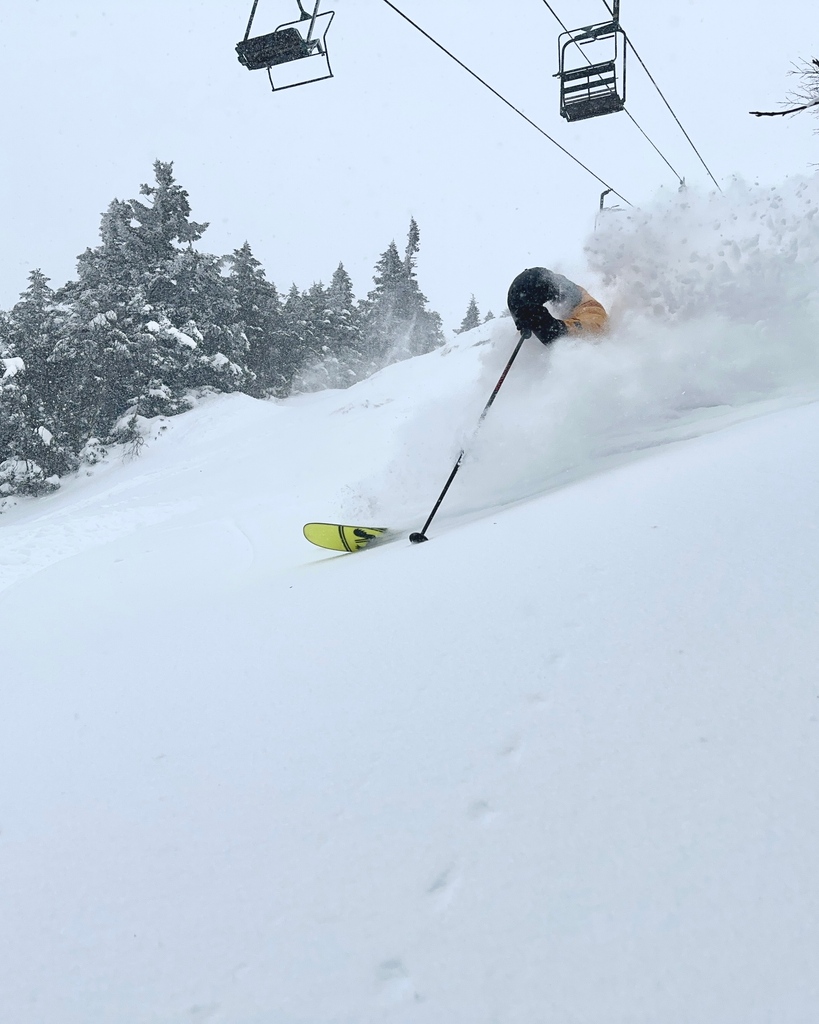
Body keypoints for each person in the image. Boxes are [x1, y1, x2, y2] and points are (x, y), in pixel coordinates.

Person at [507, 267, 608, 344]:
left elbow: (591, 329)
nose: (557, 303)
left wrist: (552, 327)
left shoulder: (592, 309)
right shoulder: (564, 303)